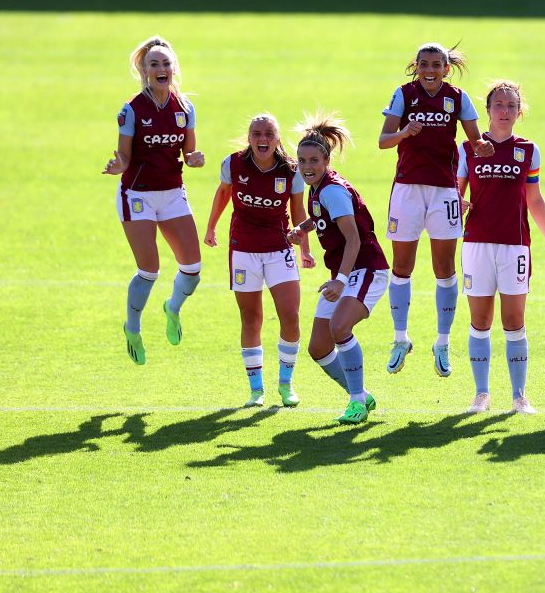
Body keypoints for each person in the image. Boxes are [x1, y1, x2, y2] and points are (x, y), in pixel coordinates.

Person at [378, 42, 494, 378]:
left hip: (444, 192)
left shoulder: (458, 97)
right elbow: (384, 140)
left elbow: (475, 142)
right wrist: (404, 132)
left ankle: (442, 342)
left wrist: (484, 147)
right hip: (407, 190)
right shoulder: (404, 94)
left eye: (436, 65)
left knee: (444, 268)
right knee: (402, 266)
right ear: (416, 66)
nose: (430, 70)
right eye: (424, 64)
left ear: (446, 68)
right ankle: (400, 339)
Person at [103, 35, 204, 365]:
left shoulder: (185, 108)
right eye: (154, 64)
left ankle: (172, 307)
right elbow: (124, 157)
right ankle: (132, 327)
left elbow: (188, 153)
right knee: (149, 270)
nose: (161, 69)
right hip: (138, 196)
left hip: (173, 193)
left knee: (192, 268)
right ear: (144, 71)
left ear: (174, 68)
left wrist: (195, 159)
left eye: (166, 63)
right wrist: (118, 164)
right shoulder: (131, 110)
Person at [457, 81, 545, 414]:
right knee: (480, 320)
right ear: (487, 110)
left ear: (519, 112)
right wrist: (458, 204)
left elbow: (534, 197)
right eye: (498, 105)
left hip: (515, 246)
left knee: (514, 320)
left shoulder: (528, 150)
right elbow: (455, 193)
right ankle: (481, 394)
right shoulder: (467, 148)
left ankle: (519, 397)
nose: (504, 111)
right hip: (476, 245)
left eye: (511, 106)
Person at [289, 112, 391, 425]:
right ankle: (362, 394)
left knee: (339, 329)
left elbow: (354, 240)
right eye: (302, 160)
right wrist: (304, 228)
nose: (307, 167)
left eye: (313, 161)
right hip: (346, 272)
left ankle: (357, 402)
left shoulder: (332, 189)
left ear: (327, 159)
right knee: (319, 347)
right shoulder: (318, 188)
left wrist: (341, 281)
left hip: (366, 269)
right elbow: (323, 215)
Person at [204, 114, 308, 407]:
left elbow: (298, 211)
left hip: (279, 248)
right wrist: (211, 227)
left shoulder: (291, 170)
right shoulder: (233, 164)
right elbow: (223, 195)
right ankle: (256, 390)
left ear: (277, 139)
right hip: (243, 250)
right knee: (251, 318)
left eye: (268, 134)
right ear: (249, 137)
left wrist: (305, 249)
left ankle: (286, 384)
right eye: (256, 134)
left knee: (290, 315)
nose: (262, 139)